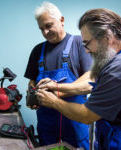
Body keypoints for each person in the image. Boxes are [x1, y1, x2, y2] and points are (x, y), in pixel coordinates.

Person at [36, 8, 121, 150]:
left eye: (87, 43)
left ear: (107, 37)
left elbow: (87, 115)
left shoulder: (119, 67)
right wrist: (56, 87)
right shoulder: (112, 62)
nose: (87, 50)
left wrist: (54, 101)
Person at [24, 2, 93, 149]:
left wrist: (57, 89)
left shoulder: (80, 44)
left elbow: (90, 80)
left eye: (48, 26)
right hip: (46, 125)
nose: (45, 32)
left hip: (75, 121)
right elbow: (31, 81)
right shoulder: (37, 50)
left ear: (61, 20)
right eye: (41, 29)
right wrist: (31, 95)